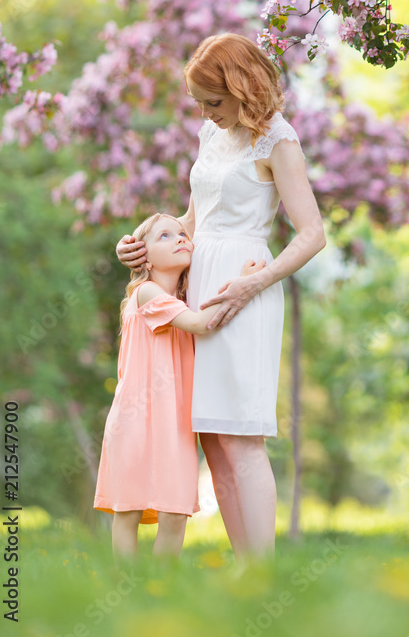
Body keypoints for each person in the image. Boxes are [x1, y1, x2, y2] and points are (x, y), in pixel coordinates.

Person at [116, 33, 326, 560]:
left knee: (240, 437)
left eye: (215, 102)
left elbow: (312, 234)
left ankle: (263, 571)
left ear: (244, 87)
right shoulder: (214, 136)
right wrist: (144, 246)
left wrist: (256, 281)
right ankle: (244, 567)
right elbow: (193, 220)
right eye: (200, 104)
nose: (207, 114)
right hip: (197, 290)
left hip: (244, 289)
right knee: (210, 437)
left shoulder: (278, 140)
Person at [96, 211, 264, 561]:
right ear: (143, 256)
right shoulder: (146, 293)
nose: (180, 239)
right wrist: (242, 284)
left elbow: (196, 319)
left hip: (174, 425)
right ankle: (125, 592)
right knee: (128, 511)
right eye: (165, 236)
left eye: (182, 234)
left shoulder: (180, 301)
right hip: (135, 422)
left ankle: (160, 593)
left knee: (175, 514)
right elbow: (202, 324)